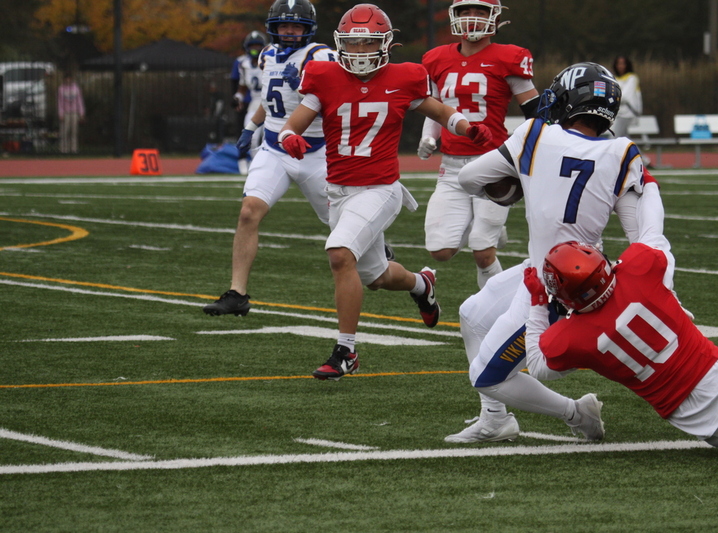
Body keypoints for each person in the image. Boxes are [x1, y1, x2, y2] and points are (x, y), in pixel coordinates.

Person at [450, 62, 663, 443]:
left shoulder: (535, 134)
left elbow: (469, 178)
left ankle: (576, 413)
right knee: (472, 314)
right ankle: (494, 419)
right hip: (578, 271)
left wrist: (515, 184)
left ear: (568, 100)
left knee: (485, 376)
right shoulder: (621, 151)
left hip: (556, 287)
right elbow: (639, 237)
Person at [279, 3, 493, 381]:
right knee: (376, 277)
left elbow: (441, 112)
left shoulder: (403, 77)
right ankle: (421, 284)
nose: (361, 51)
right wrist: (289, 139)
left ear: (386, 43)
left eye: (369, 43)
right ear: (341, 43)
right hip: (339, 192)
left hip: (380, 189)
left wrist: (467, 128)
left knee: (339, 253)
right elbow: (291, 125)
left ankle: (346, 351)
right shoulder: (324, 75)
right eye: (354, 43)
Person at [525, 240, 718, 450]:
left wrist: (537, 303)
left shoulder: (569, 338)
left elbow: (537, 365)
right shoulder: (639, 268)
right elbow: (655, 241)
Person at [203, 0, 335, 317]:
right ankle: (237, 294)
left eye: (296, 25)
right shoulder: (266, 55)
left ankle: (376, 248)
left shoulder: (321, 55)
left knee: (341, 221)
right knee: (249, 212)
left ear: (308, 28)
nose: (289, 31)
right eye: (284, 25)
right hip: (274, 149)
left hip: (314, 152)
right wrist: (251, 127)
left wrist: (303, 84)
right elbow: (267, 98)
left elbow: (335, 98)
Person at [417, 0, 539, 289]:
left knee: (482, 252)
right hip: (452, 165)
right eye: (466, 11)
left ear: (494, 17)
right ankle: (489, 226)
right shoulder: (436, 58)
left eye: (480, 11)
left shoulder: (508, 57)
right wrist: (429, 136)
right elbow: (435, 107)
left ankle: (499, 308)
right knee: (440, 250)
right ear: (455, 16)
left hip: (492, 162)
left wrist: (523, 149)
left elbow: (535, 112)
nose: (472, 17)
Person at [233, 30, 269, 174]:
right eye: (252, 46)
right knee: (251, 137)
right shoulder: (244, 64)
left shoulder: (270, 60)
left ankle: (266, 166)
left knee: (268, 137)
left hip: (270, 102)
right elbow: (242, 87)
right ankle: (256, 167)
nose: (255, 49)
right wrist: (237, 98)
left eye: (257, 45)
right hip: (254, 104)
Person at [57, 73, 85, 154]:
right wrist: (61, 113)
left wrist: (81, 112)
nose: (68, 80)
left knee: (74, 131)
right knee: (64, 131)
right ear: (64, 79)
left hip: (74, 112)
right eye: (66, 78)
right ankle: (63, 149)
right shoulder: (61, 89)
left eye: (69, 78)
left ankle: (74, 149)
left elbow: (79, 101)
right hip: (65, 113)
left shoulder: (76, 88)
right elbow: (60, 102)